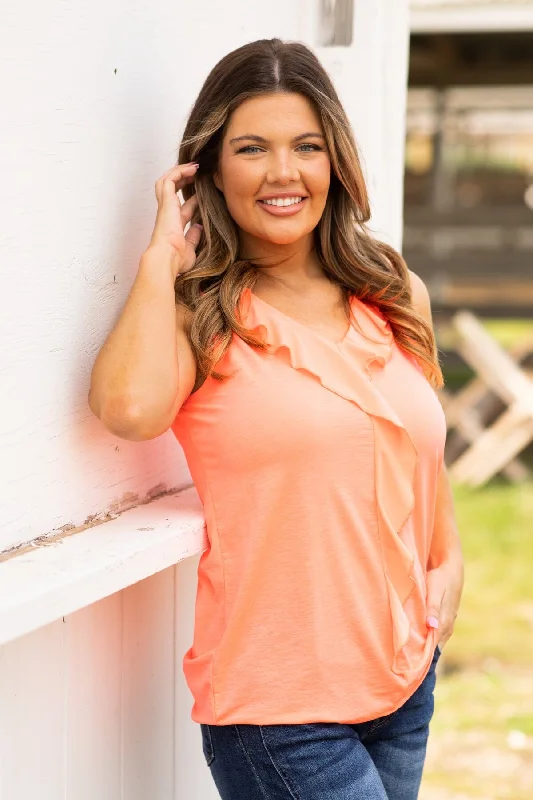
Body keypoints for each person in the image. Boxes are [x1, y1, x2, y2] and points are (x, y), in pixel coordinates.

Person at [89, 38, 464, 800]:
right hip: (281, 712)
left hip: (400, 683)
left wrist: (445, 558)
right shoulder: (200, 313)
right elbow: (128, 411)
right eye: (251, 148)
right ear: (211, 171)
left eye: (306, 146)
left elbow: (419, 454)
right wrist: (162, 259)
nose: (283, 172)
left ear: (336, 160)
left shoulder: (393, 293)